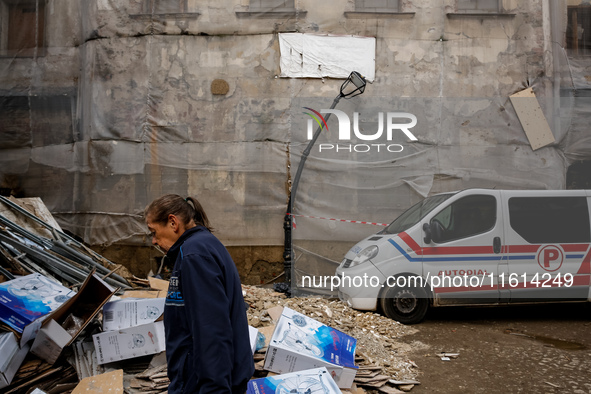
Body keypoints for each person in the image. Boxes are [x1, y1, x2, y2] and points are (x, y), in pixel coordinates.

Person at [144, 194, 254, 393]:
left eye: (154, 231)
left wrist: (214, 389)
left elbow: (211, 329)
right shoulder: (200, 247)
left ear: (172, 222)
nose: (153, 241)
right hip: (197, 378)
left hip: (200, 383)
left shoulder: (195, 255)